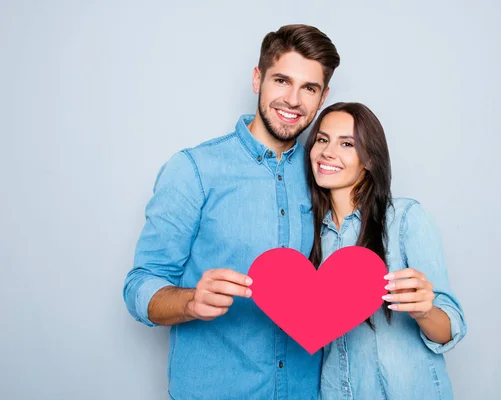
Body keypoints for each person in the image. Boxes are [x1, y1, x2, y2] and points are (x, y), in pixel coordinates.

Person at [123, 25, 340, 400]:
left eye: (309, 88)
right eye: (282, 80)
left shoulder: (325, 174)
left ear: (323, 97)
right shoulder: (194, 169)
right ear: (257, 79)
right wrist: (190, 301)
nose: (293, 100)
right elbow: (140, 285)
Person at [305, 102, 467, 399]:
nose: (328, 152)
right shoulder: (309, 234)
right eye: (322, 139)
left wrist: (424, 311)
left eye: (347, 143)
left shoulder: (405, 219)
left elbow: (449, 329)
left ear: (369, 159)